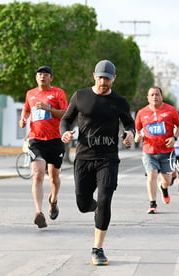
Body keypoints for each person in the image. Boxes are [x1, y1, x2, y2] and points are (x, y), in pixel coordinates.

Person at [60, 60, 135, 266]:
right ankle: (95, 209)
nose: (103, 82)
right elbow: (66, 119)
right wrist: (65, 133)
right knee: (83, 204)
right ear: (94, 76)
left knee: (104, 199)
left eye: (107, 78)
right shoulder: (80, 96)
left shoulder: (119, 101)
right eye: (100, 77)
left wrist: (129, 133)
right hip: (84, 157)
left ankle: (97, 248)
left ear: (113, 79)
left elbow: (129, 123)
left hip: (108, 159)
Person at [19, 65, 68, 229]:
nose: (42, 77)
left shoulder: (58, 93)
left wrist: (49, 109)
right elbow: (26, 109)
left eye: (46, 74)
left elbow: (65, 113)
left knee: (54, 178)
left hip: (55, 139)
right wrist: (23, 119)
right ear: (36, 77)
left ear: (51, 78)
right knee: (38, 174)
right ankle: (39, 213)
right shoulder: (30, 94)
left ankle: (53, 200)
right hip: (36, 140)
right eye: (39, 74)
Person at [134, 87, 179, 214]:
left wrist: (174, 137)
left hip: (167, 152)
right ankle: (152, 203)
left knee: (167, 180)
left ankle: (164, 188)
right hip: (149, 151)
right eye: (152, 95)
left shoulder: (171, 110)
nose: (154, 97)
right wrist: (137, 137)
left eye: (157, 94)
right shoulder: (141, 113)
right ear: (148, 98)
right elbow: (137, 131)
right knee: (152, 174)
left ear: (161, 96)